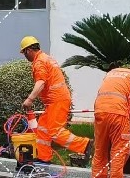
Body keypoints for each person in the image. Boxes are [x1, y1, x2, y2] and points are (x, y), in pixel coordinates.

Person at [20, 36, 91, 164]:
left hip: (57, 100)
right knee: (43, 128)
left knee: (55, 131)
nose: (25, 56)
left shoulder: (39, 62)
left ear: (29, 50)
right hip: (56, 100)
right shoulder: (46, 58)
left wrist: (30, 99)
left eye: (24, 52)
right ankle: (44, 157)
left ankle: (84, 145)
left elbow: (41, 82)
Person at [91, 63, 130, 178]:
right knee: (120, 149)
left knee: (101, 148)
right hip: (118, 114)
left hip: (99, 111)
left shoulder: (112, 72)